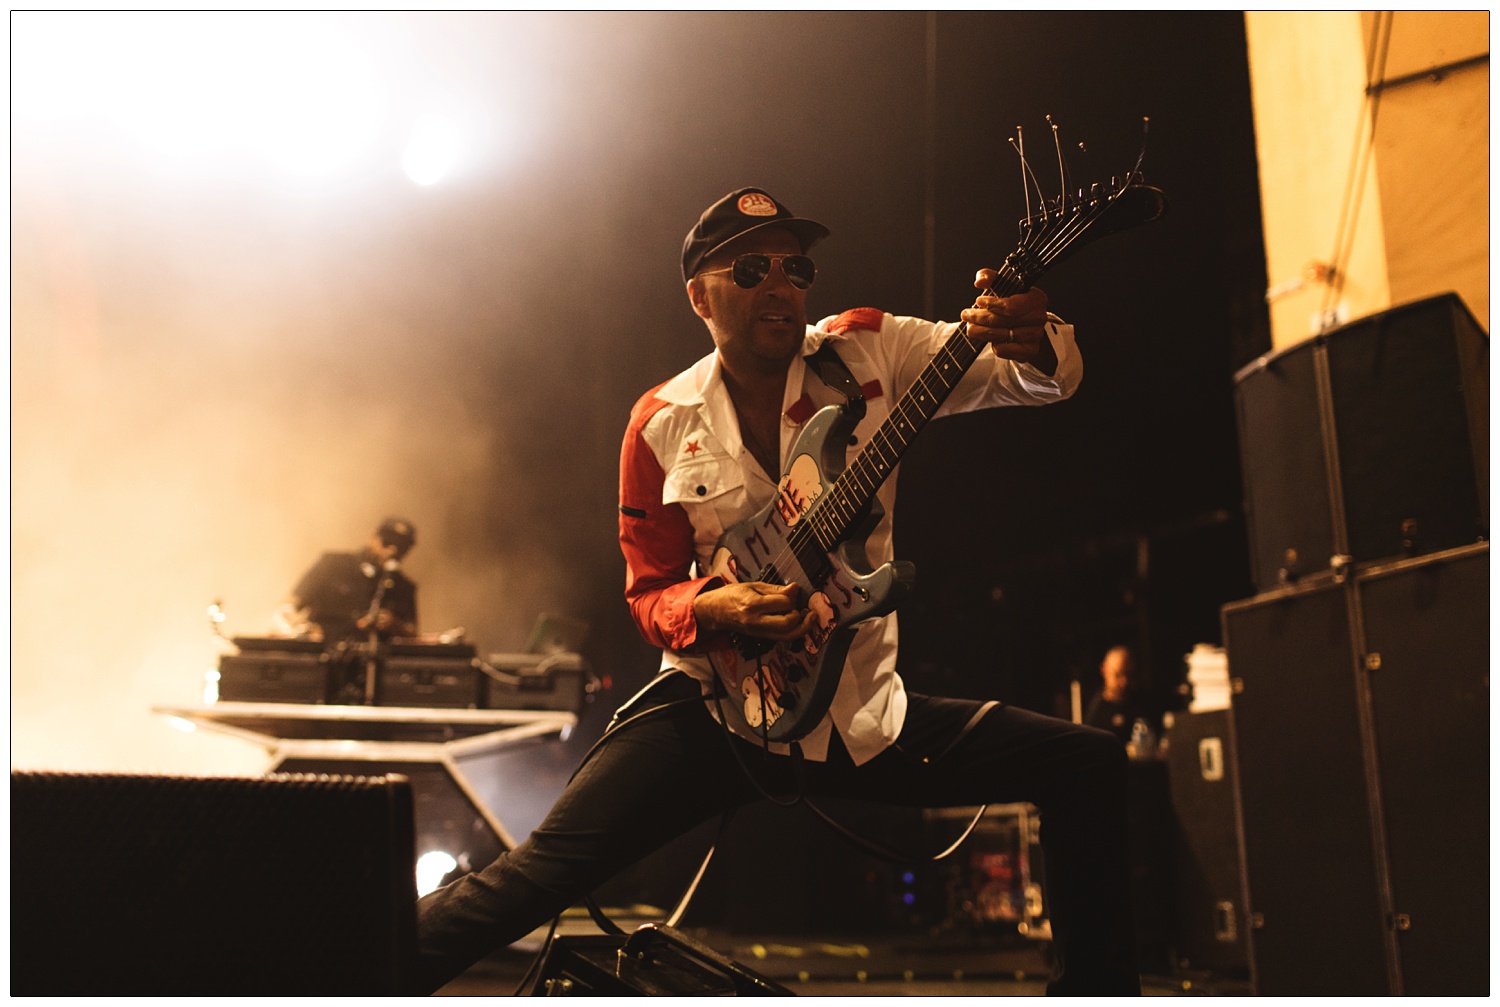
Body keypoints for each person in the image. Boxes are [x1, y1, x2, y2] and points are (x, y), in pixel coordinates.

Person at [413, 188, 1138, 994]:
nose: (781, 286)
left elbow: (1035, 378)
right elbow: (649, 594)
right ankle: (338, 963)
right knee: (534, 875)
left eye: (796, 268)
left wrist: (1032, 335)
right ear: (699, 296)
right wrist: (712, 606)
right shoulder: (658, 422)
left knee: (1091, 765)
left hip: (858, 712)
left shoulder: (869, 349)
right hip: (712, 709)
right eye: (751, 268)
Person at [279, 517, 419, 644]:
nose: (393, 550)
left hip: (373, 664)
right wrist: (304, 630)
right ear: (373, 537)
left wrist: (394, 624)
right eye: (387, 541)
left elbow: (413, 634)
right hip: (321, 656)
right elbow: (288, 607)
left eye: (402, 546)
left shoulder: (404, 587)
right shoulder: (332, 565)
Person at [1084, 645, 1148, 746]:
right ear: (1104, 670)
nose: (1124, 682)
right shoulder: (1092, 708)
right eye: (1118, 674)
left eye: (1129, 674)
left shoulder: (1144, 704)